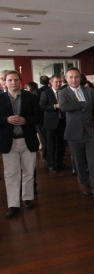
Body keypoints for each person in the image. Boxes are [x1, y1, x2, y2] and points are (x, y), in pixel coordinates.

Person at [0, 70, 42, 219]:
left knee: (29, 172)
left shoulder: (31, 98)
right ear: (5, 82)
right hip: (8, 141)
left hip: (27, 139)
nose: (13, 83)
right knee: (11, 175)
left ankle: (28, 198)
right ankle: (13, 205)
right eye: (10, 80)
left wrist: (26, 120)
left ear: (20, 81)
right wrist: (6, 120)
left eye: (16, 80)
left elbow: (39, 117)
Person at [59, 67, 94, 200]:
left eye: (76, 77)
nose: (74, 79)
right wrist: (81, 104)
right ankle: (85, 184)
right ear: (66, 79)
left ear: (80, 78)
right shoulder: (63, 93)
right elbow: (64, 107)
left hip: (91, 131)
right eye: (71, 77)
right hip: (73, 134)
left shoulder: (89, 91)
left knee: (92, 162)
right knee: (79, 162)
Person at [39, 75, 66, 172]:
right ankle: (51, 163)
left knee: (61, 144)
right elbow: (42, 106)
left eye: (60, 81)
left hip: (63, 122)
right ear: (51, 82)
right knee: (51, 144)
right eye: (56, 82)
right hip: (50, 123)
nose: (58, 83)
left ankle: (60, 162)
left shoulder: (64, 92)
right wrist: (55, 106)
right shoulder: (45, 93)